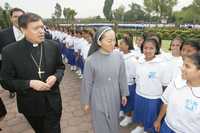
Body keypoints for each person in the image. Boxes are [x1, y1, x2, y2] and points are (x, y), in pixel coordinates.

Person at [0, 13, 65, 133]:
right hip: (31, 106)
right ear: (23, 29)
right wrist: (29, 83)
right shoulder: (9, 52)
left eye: (42, 27)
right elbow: (6, 81)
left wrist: (56, 77)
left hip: (53, 101)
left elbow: (60, 67)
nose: (41, 31)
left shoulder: (53, 46)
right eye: (36, 28)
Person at [80, 26, 129, 133]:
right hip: (98, 96)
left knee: (113, 123)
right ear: (99, 42)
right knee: (100, 123)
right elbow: (87, 82)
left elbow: (122, 76)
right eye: (109, 41)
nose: (113, 43)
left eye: (114, 40)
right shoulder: (90, 60)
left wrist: (124, 93)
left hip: (114, 96)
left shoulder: (118, 57)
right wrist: (86, 102)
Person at [154, 51, 200, 133]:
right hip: (166, 127)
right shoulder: (177, 81)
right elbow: (166, 103)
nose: (181, 68)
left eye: (187, 66)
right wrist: (158, 120)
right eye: (183, 64)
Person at [131, 38, 170, 133]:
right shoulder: (139, 61)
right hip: (139, 93)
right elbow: (137, 78)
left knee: (151, 116)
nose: (148, 51)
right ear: (142, 48)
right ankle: (140, 126)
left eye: (151, 48)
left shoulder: (162, 65)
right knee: (140, 112)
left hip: (154, 97)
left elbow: (165, 84)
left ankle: (148, 130)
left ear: (156, 49)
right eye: (145, 48)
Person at [0, 8, 25, 98]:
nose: (18, 19)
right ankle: (12, 90)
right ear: (11, 18)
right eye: (15, 16)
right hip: (12, 71)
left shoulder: (31, 31)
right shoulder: (2, 34)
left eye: (21, 16)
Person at [118, 36, 137, 127]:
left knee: (128, 101)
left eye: (122, 43)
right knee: (121, 99)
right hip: (120, 82)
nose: (119, 45)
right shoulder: (120, 55)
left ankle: (129, 117)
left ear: (127, 45)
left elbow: (134, 75)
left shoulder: (132, 59)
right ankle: (122, 111)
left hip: (128, 84)